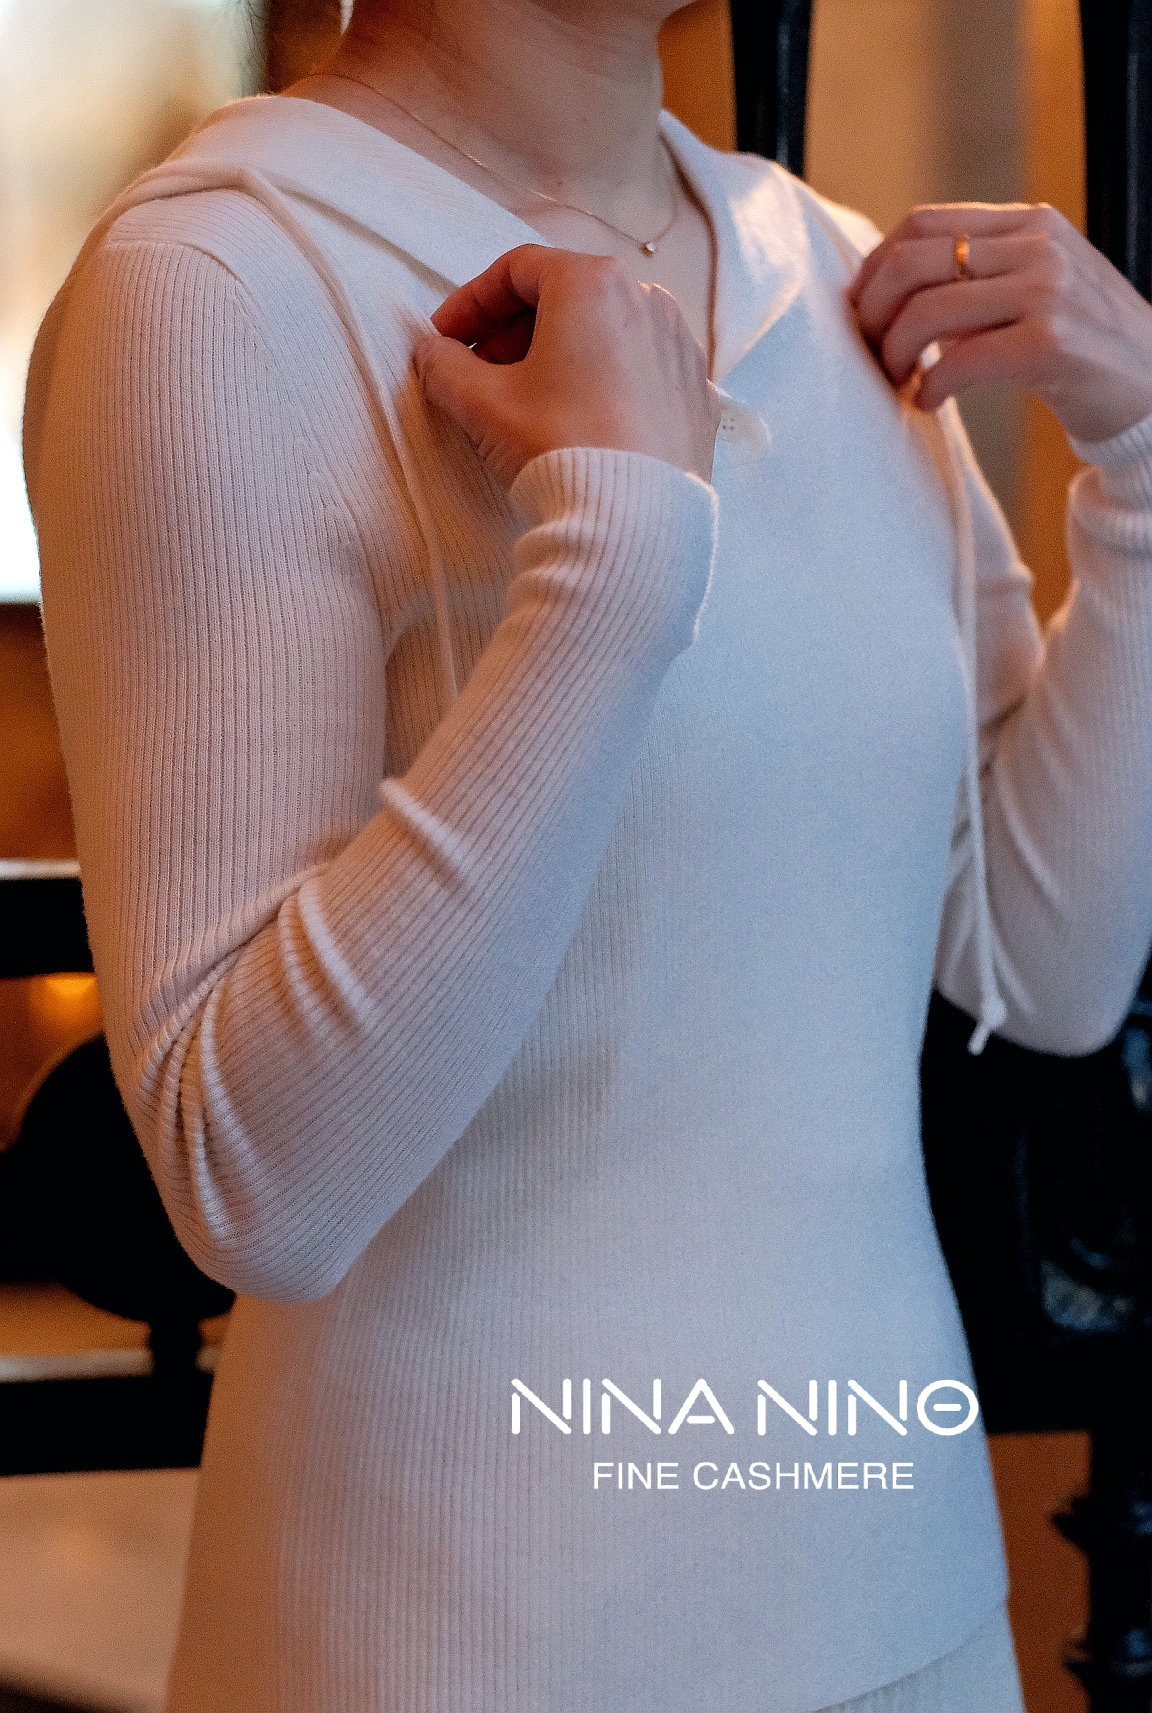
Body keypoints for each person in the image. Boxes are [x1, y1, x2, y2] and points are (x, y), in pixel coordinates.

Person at [21, 1, 1152, 1709]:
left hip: (914, 1610)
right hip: (461, 1648)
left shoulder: (826, 268)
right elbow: (258, 1180)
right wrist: (612, 557)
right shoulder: (222, 283)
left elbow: (1041, 966)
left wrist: (1142, 476)